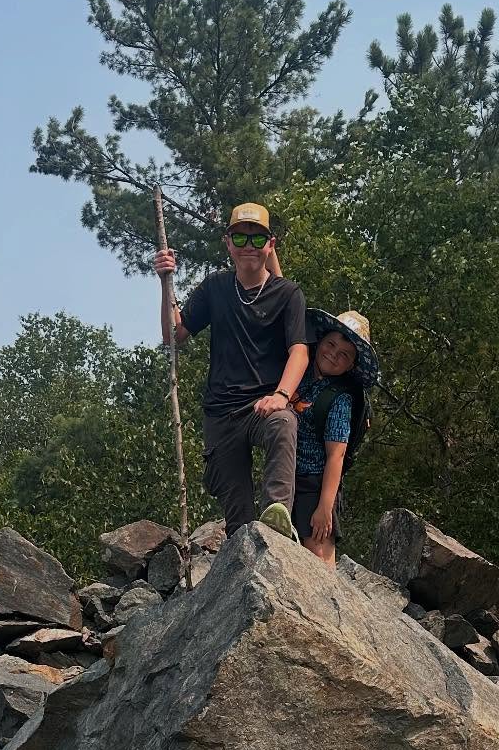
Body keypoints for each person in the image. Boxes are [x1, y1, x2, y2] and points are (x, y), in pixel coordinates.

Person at [152, 203, 308, 539]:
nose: (249, 246)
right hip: (221, 416)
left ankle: (277, 520)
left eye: (257, 238)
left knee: (283, 423)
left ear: (270, 244)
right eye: (240, 237)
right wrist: (166, 282)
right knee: (238, 524)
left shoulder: (288, 293)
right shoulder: (215, 288)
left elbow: (300, 351)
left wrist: (280, 395)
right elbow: (173, 335)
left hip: (263, 406)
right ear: (228, 243)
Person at [290, 312, 375, 564]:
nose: (333, 354)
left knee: (317, 561)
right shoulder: (300, 373)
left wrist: (324, 508)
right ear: (321, 340)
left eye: (344, 354)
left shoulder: (340, 399)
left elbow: (336, 455)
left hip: (316, 485)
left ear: (351, 365)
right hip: (286, 478)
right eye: (331, 344)